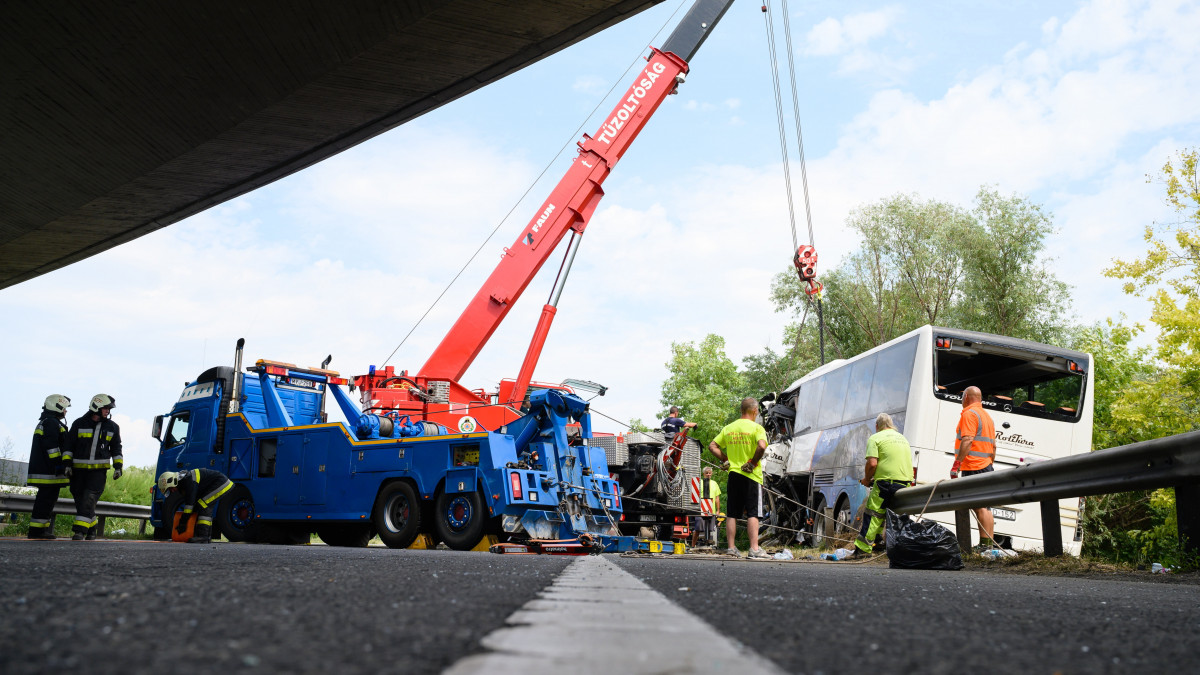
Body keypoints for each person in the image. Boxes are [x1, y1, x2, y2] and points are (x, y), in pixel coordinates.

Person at [709, 397, 769, 559]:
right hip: (751, 476)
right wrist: (752, 462)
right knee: (753, 513)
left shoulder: (729, 428)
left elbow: (712, 446)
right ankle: (754, 549)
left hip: (734, 474)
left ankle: (731, 548)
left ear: (741, 410)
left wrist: (725, 460)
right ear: (755, 411)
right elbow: (762, 446)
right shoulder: (757, 428)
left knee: (732, 513)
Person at [853, 413, 914, 557]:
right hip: (905, 484)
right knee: (898, 518)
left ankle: (862, 549)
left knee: (873, 514)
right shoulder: (903, 439)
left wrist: (867, 479)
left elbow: (872, 463)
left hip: (886, 484)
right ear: (891, 425)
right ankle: (891, 548)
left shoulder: (875, 438)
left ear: (877, 426)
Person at [64, 393, 122, 541]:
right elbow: (69, 445)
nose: (108, 411)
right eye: (106, 408)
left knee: (88, 500)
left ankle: (79, 531)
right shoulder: (78, 424)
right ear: (96, 407)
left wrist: (118, 467)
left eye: (109, 409)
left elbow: (116, 448)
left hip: (98, 473)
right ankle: (92, 529)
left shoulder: (113, 427)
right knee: (80, 501)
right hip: (78, 472)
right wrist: (67, 465)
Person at [951, 386, 996, 549]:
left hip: (973, 465)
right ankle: (988, 545)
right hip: (986, 465)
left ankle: (984, 546)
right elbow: (994, 447)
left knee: (979, 506)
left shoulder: (969, 414)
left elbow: (968, 440)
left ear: (967, 397)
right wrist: (990, 463)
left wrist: (957, 465)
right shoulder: (987, 416)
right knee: (986, 507)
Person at [25, 395, 72, 539]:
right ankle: (36, 531)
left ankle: (40, 530)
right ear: (56, 407)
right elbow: (52, 448)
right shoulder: (51, 423)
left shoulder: (47, 422)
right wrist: (59, 465)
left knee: (46, 501)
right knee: (45, 501)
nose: (65, 411)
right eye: (64, 408)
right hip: (49, 472)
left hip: (45, 470)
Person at [158, 468, 234, 543]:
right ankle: (206, 536)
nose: (172, 491)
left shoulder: (189, 480)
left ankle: (203, 536)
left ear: (172, 481)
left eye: (170, 489)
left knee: (203, 504)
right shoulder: (184, 483)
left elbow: (190, 504)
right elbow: (193, 504)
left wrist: (183, 522)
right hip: (220, 483)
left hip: (222, 483)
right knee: (203, 505)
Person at [689, 466, 721, 548]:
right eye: (706, 473)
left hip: (711, 510)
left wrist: (718, 510)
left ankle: (707, 545)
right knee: (698, 528)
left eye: (709, 473)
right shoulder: (699, 483)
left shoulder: (714, 483)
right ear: (703, 474)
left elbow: (717, 498)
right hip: (701, 510)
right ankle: (693, 545)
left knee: (710, 529)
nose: (708, 474)